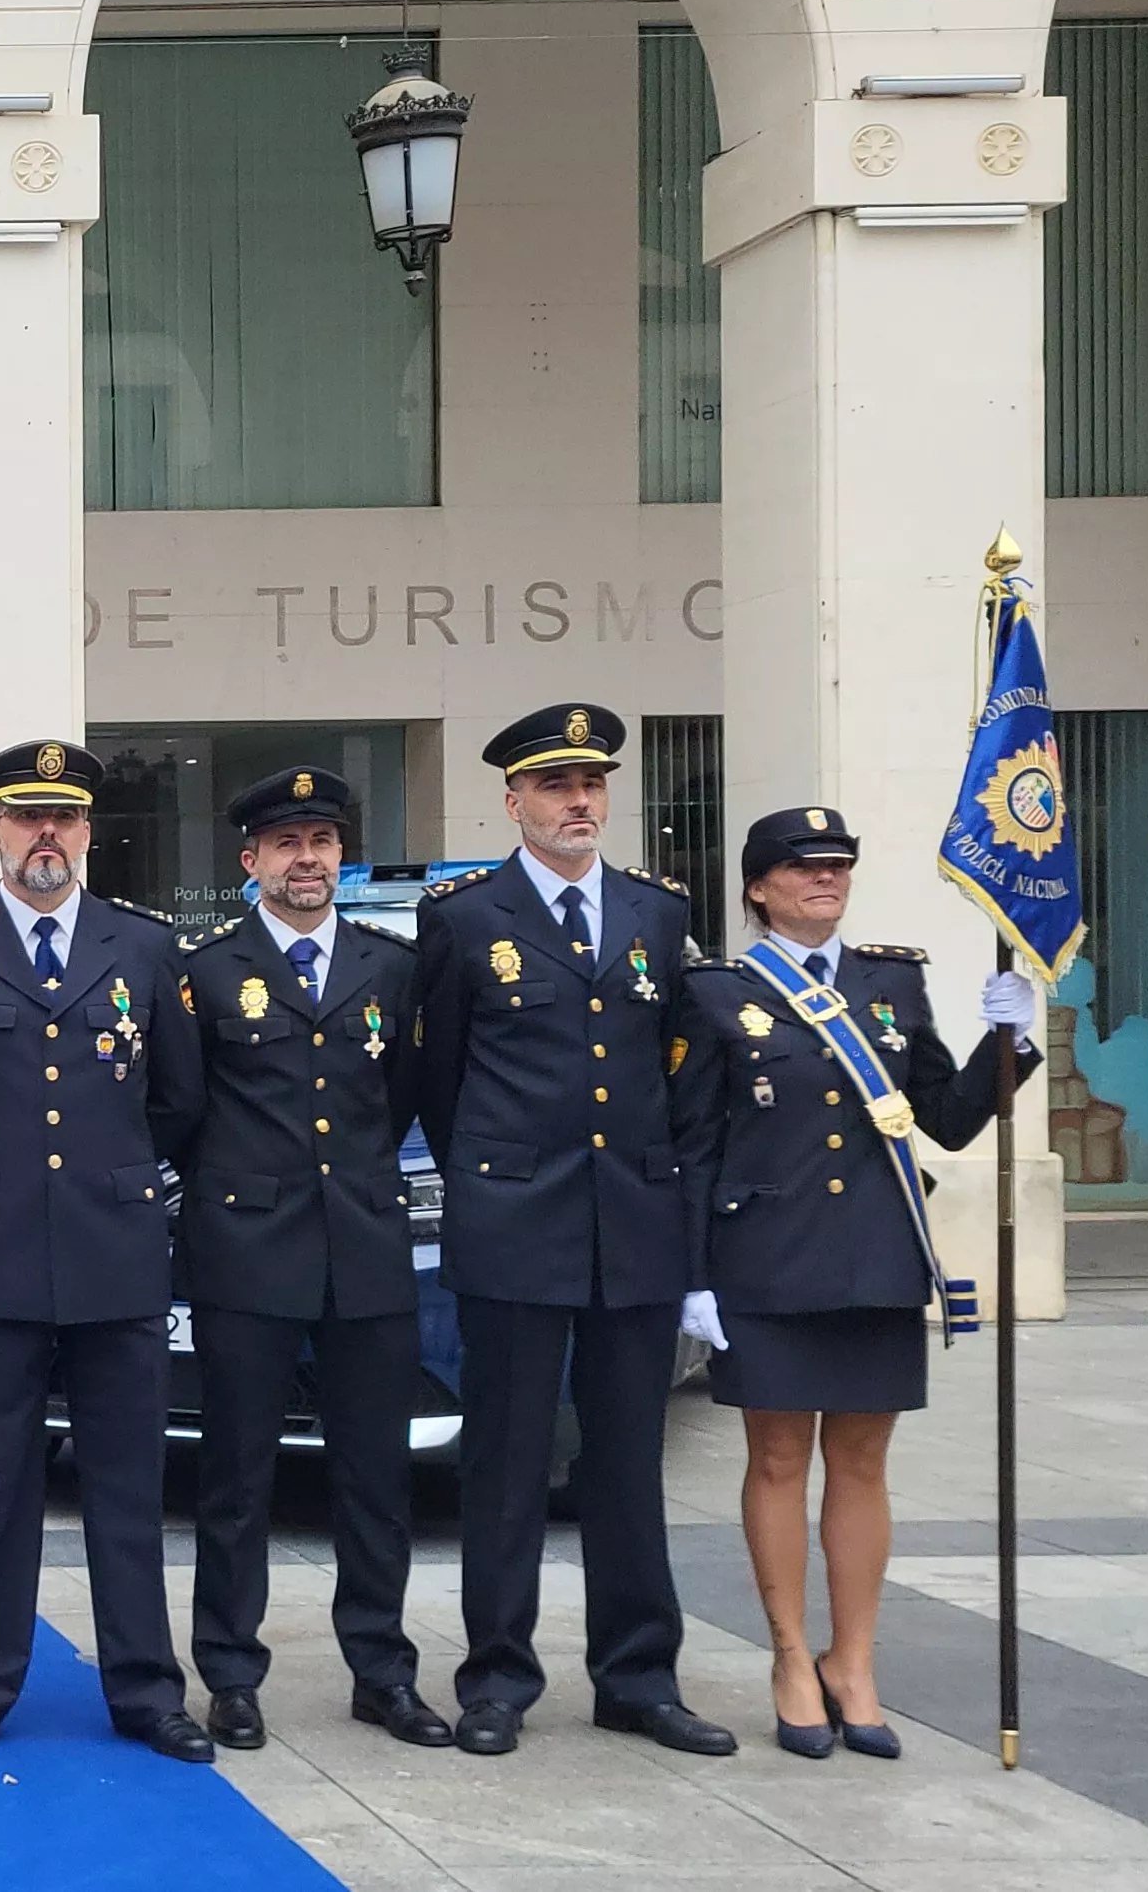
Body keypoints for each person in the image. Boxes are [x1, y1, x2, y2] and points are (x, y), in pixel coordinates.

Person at [672, 806, 1037, 1759]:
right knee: (779, 1460)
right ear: (758, 886)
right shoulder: (714, 990)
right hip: (763, 1260)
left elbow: (947, 1121)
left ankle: (854, 1659)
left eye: (837, 867)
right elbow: (691, 1145)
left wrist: (1014, 1045)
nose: (825, 881)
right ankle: (792, 1656)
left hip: (875, 1254)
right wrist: (692, 1276)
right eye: (802, 869)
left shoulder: (889, 979)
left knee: (866, 1462)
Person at [415, 704, 735, 1758]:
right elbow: (443, 1082)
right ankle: (498, 1678)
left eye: (593, 784)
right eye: (556, 786)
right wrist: (501, 1175)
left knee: (626, 1465)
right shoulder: (464, 918)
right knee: (505, 1464)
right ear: (515, 802)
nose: (580, 802)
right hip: (516, 1224)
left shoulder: (655, 914)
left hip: (633, 1227)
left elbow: (679, 1072)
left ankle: (637, 1674)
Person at [0, 739, 209, 1766]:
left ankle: (146, 1689)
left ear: (86, 833)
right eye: (28, 818)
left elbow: (180, 1102)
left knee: (127, 1482)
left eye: (64, 819)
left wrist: (110, 1178)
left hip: (115, 1253)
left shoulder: (146, 949)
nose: (47, 837)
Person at [168, 768, 450, 1752]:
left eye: (322, 841)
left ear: (342, 857)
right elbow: (182, 1112)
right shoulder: (204, 971)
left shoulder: (391, 967)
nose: (307, 859)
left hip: (365, 1250)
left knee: (374, 1479)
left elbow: (405, 1096)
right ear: (250, 861)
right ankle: (233, 1676)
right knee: (236, 1479)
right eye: (286, 843)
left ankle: (382, 1670)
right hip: (247, 1253)